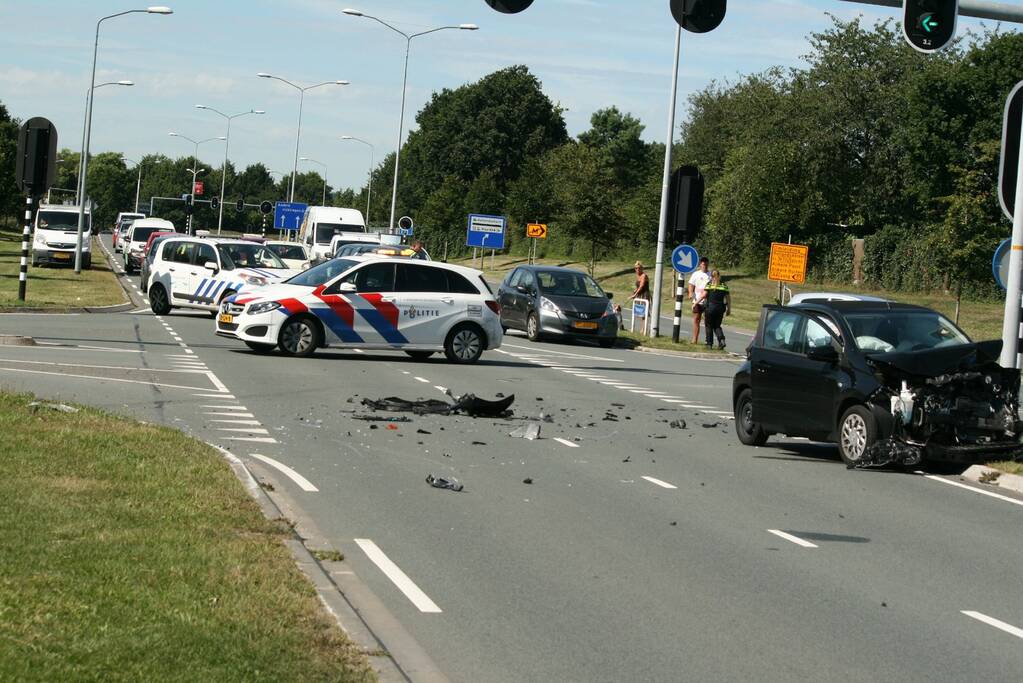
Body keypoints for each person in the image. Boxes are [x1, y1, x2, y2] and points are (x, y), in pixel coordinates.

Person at [703, 269, 730, 349]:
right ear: (719, 275)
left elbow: (704, 295)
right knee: (717, 326)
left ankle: (709, 344)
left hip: (710, 308)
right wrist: (729, 309)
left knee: (709, 326)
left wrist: (696, 303)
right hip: (720, 308)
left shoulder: (709, 284)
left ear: (711, 276)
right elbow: (728, 298)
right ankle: (721, 340)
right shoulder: (724, 285)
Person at [687, 257, 711, 343]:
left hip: (708, 301)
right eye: (703, 264)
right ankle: (694, 339)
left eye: (706, 263)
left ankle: (708, 340)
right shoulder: (696, 274)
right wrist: (690, 292)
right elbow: (691, 284)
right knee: (696, 319)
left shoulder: (711, 275)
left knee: (708, 321)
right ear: (700, 264)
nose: (705, 265)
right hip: (697, 300)